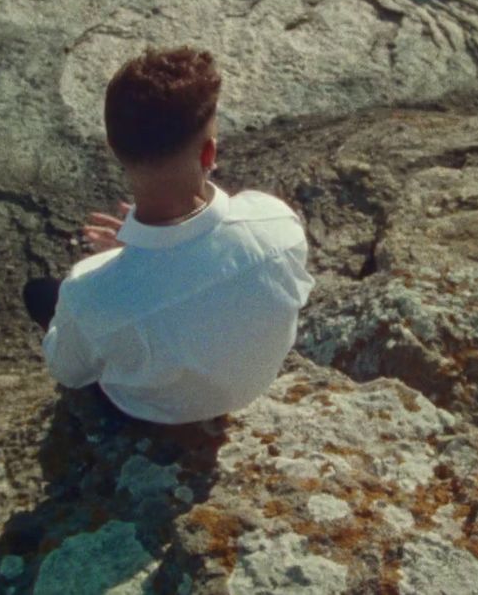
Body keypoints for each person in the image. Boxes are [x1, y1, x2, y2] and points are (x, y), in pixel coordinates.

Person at [22, 46, 315, 425]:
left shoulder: (89, 292)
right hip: (250, 388)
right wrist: (153, 252)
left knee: (40, 293)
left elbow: (70, 372)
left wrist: (121, 262)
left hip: (152, 412)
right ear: (208, 154)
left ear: (114, 149)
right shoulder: (276, 223)